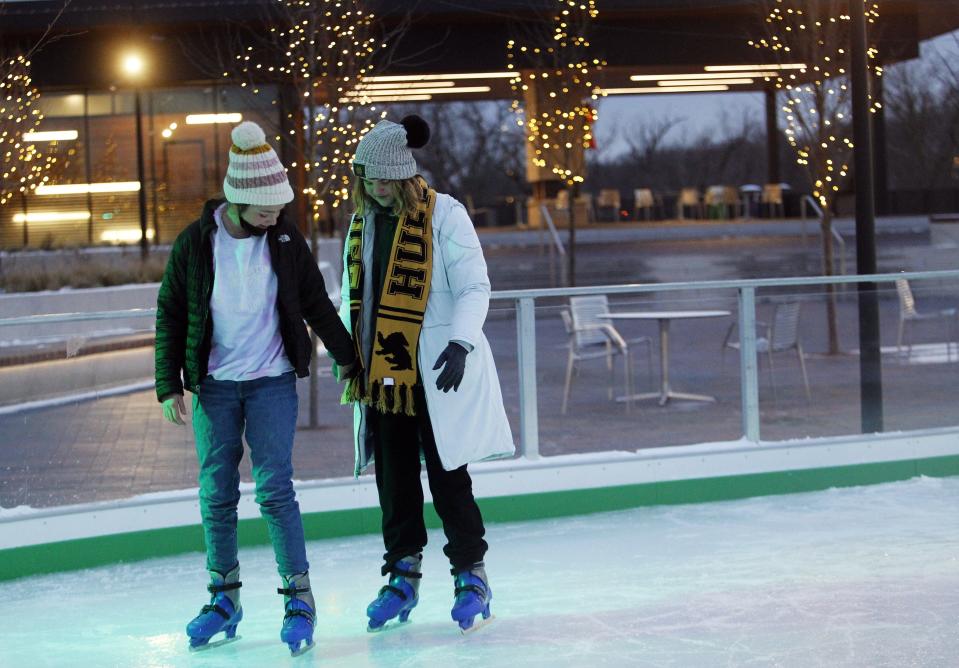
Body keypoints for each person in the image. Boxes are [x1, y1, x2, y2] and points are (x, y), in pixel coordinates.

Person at [155, 120, 357, 656]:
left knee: (274, 489)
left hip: (270, 381)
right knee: (216, 492)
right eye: (266, 210)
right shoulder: (196, 244)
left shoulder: (286, 240)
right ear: (239, 200)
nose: (276, 217)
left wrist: (350, 360)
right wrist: (167, 383)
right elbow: (171, 313)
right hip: (215, 386)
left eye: (278, 209)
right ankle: (224, 598)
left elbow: (315, 302)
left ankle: (298, 597)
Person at [339, 115, 515, 633]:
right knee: (394, 483)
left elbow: (474, 285)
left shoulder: (445, 215)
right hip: (383, 377)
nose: (375, 188)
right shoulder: (361, 222)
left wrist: (461, 342)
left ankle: (470, 573)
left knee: (448, 477)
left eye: (382, 179)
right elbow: (358, 298)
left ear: (402, 173)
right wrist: (347, 351)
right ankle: (402, 574)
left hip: (436, 371)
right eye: (367, 179)